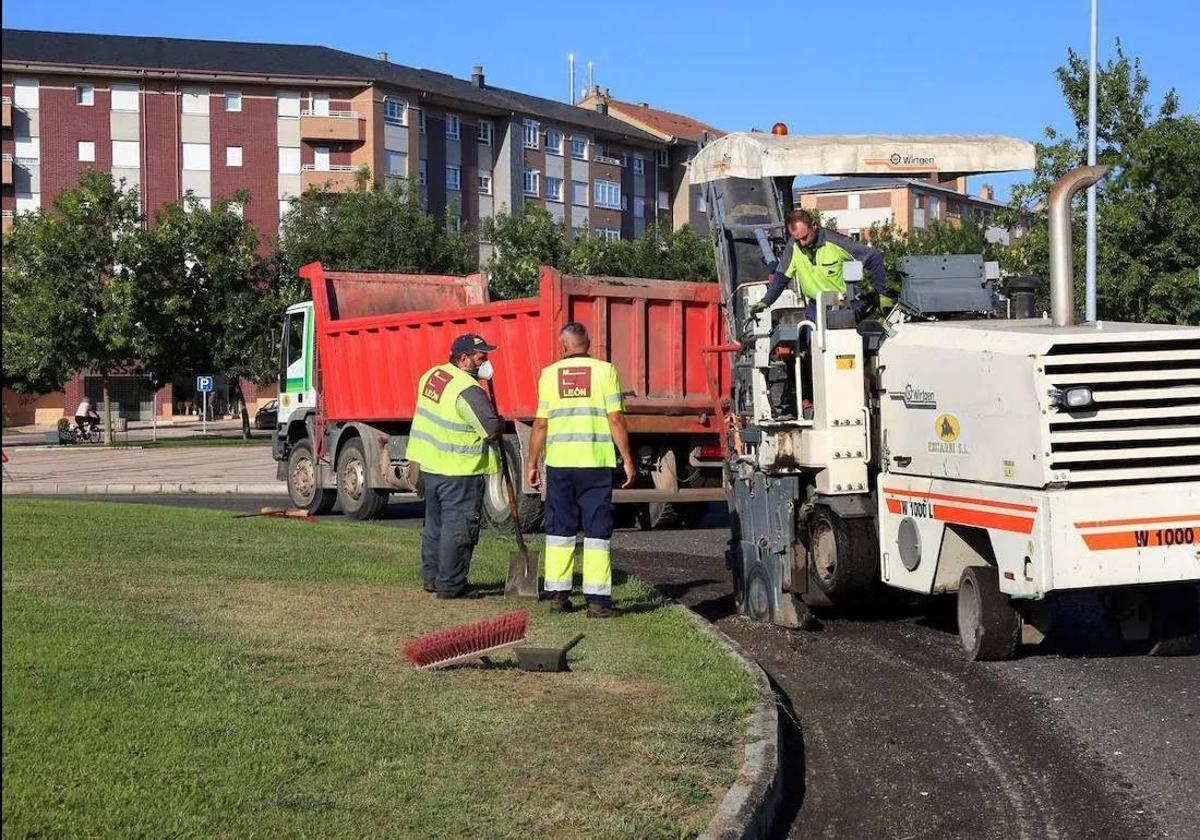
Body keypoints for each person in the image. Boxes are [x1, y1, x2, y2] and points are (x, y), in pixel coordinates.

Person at [526, 323, 636, 618]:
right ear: (589, 344)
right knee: (597, 531)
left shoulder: (548, 375)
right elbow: (615, 419)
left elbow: (540, 424)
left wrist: (531, 463)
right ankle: (598, 602)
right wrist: (627, 458)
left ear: (563, 347)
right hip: (595, 463)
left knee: (559, 529)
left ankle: (558, 596)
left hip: (560, 464)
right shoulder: (605, 371)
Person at [405, 334, 504, 599]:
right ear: (463, 359)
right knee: (458, 529)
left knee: (435, 527)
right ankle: (450, 585)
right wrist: (499, 422)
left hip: (432, 465)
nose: (486, 362)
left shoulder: (433, 375)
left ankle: (433, 579)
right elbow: (490, 430)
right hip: (460, 470)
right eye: (481, 357)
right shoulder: (468, 390)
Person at [752, 208, 891, 319]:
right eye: (797, 239)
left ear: (814, 226)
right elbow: (781, 279)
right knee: (808, 345)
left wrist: (882, 294)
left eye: (805, 237)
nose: (802, 243)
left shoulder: (838, 243)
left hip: (843, 307)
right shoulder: (793, 247)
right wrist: (766, 301)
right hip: (815, 308)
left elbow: (874, 257)